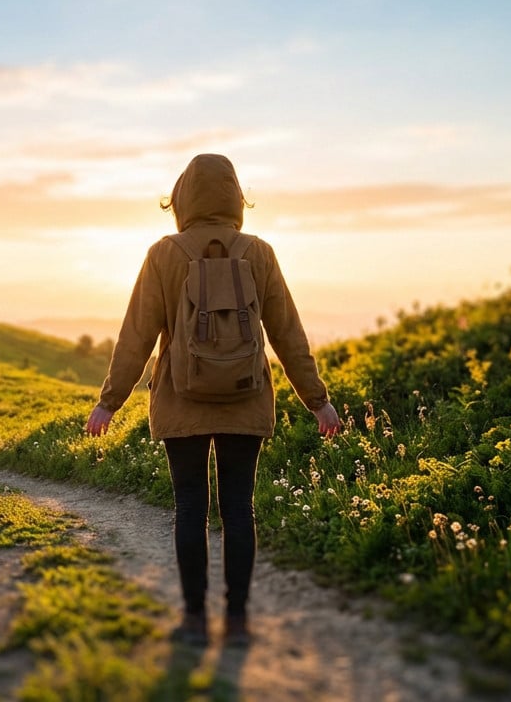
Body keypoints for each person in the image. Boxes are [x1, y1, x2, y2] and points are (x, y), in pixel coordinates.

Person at [85, 153, 341, 648]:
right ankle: (240, 623)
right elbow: (288, 334)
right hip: (247, 401)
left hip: (182, 401)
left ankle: (196, 620)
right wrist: (318, 400)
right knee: (240, 509)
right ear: (234, 196)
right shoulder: (259, 252)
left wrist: (109, 402)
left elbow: (135, 335)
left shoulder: (164, 253)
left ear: (182, 199)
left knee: (189, 509)